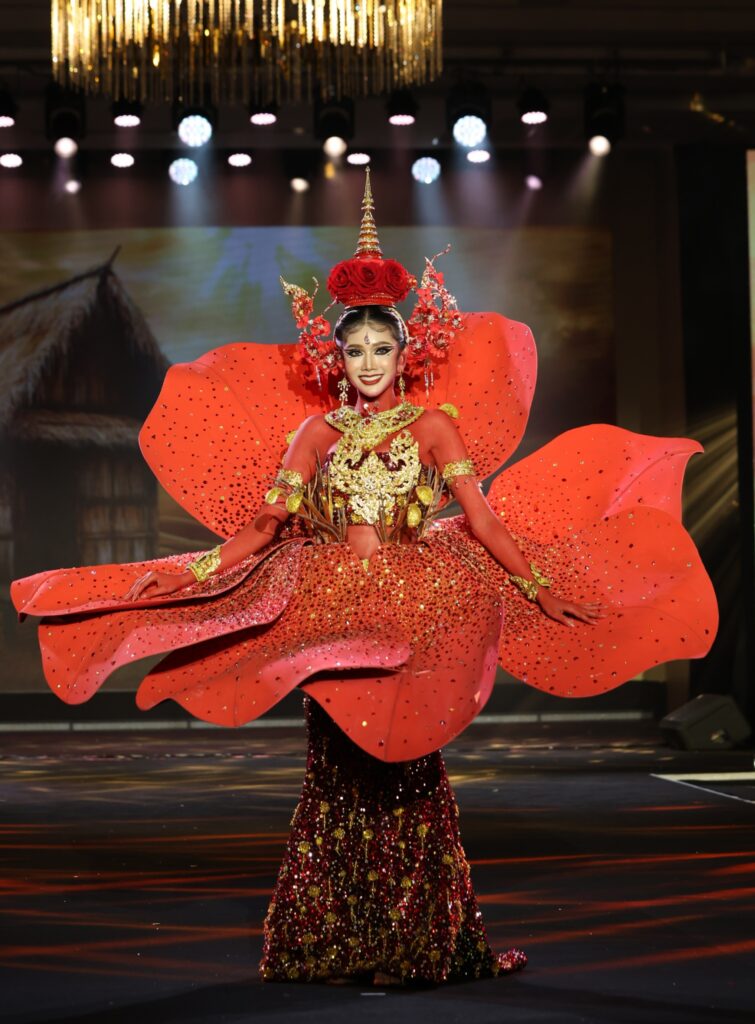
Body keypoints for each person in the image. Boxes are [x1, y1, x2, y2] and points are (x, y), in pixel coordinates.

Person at [10, 170, 718, 986]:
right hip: (327, 606)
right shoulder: (314, 433)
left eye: (382, 348)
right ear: (336, 356)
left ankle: (419, 944)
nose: (369, 362)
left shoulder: (434, 426)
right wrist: (187, 575)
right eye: (355, 349)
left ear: (404, 353)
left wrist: (536, 588)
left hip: (423, 600)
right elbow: (262, 528)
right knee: (336, 776)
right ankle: (330, 942)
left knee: (409, 769)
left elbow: (483, 521)